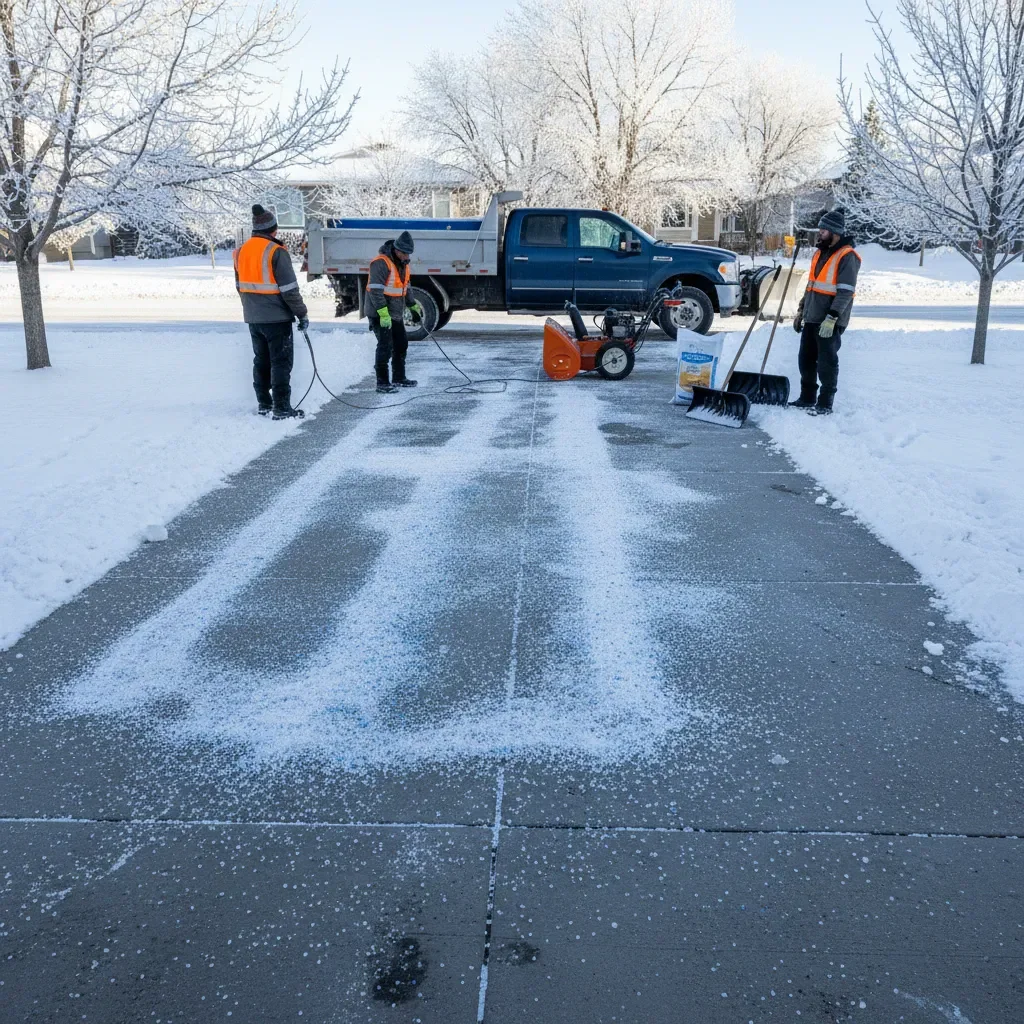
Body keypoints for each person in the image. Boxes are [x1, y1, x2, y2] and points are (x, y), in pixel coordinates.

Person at [233, 204, 309, 419]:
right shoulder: (276, 251)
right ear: (273, 229)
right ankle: (282, 407)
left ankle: (264, 404)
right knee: (280, 362)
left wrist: (251, 309)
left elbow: (239, 286)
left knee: (261, 360)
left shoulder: (241, 251)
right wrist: (301, 313)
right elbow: (289, 290)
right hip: (276, 318)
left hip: (253, 317)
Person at [791, 208, 861, 415]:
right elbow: (811, 286)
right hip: (812, 316)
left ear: (834, 232)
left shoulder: (847, 256)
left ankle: (825, 403)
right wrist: (801, 311)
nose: (819, 233)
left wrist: (832, 317)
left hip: (830, 319)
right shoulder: (820, 253)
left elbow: (846, 291)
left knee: (826, 362)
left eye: (823, 230)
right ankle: (807, 397)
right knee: (805, 359)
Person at [366, 230, 425, 394]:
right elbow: (375, 291)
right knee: (385, 346)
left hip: (396, 312)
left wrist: (413, 306)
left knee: (401, 344)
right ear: (397, 250)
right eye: (405, 253)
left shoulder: (403, 265)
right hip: (380, 313)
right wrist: (383, 314)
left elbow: (406, 286)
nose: (407, 257)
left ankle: (399, 378)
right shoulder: (380, 263)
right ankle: (382, 382)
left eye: (409, 254)